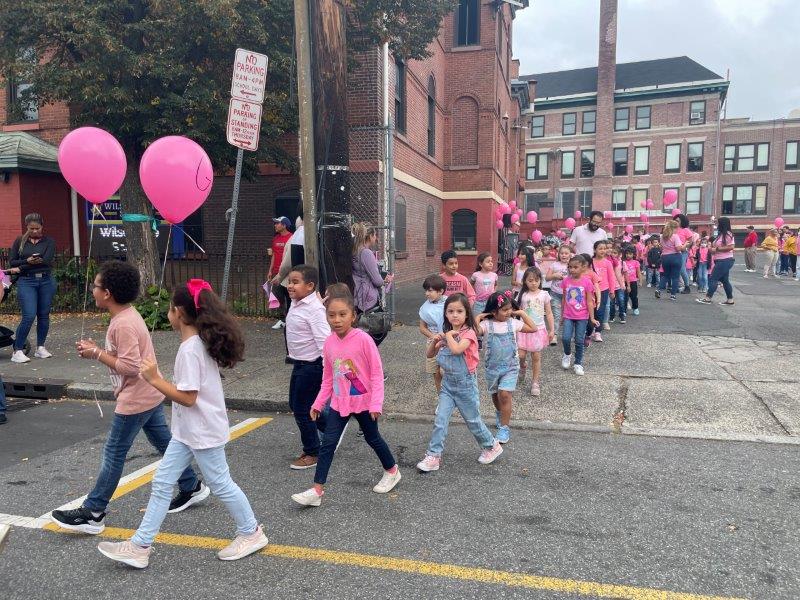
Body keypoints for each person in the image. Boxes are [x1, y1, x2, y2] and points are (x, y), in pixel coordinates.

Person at [97, 280, 268, 568]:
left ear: (179, 312)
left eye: (170, 308)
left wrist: (154, 379)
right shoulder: (195, 344)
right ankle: (140, 545)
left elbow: (188, 398)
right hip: (189, 431)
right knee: (163, 481)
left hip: (201, 432)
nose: (168, 313)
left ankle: (251, 532)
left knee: (221, 483)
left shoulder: (190, 349)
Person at [51, 261, 206, 534]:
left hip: (136, 397)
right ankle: (191, 485)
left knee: (114, 453)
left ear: (107, 293)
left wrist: (96, 353)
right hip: (148, 394)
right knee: (164, 442)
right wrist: (98, 350)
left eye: (95, 286)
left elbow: (131, 367)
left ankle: (93, 512)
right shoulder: (126, 316)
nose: (92, 290)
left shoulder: (122, 323)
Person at [291, 288, 400, 506]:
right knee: (328, 444)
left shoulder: (364, 340)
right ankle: (317, 490)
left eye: (342, 314)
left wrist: (376, 403)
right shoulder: (329, 343)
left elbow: (377, 373)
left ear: (353, 316)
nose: (337, 320)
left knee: (372, 438)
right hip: (340, 404)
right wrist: (318, 403)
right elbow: (328, 378)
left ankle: (392, 470)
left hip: (364, 403)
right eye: (332, 315)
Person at [416, 294, 503, 472]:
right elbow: (430, 354)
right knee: (440, 420)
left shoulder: (469, 333)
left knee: (473, 421)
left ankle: (491, 446)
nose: (455, 315)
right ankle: (433, 455)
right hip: (448, 385)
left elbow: (456, 350)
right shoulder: (446, 333)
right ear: (445, 314)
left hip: (465, 385)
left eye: (459, 311)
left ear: (466, 314)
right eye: (450, 311)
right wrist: (436, 341)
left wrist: (447, 337)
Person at [284, 264, 330, 470]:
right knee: (296, 405)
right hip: (299, 364)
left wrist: (327, 371)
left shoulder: (314, 310)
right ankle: (331, 428)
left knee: (302, 410)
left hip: (312, 366)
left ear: (310, 286)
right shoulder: (297, 303)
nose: (290, 286)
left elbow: (324, 342)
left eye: (295, 282)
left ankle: (313, 452)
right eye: (289, 282)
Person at [474, 291, 536, 441]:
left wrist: (522, 313)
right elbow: (475, 332)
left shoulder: (513, 323)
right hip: (492, 368)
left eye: (510, 309)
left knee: (504, 394)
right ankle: (500, 414)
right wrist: (478, 317)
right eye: (505, 310)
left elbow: (533, 328)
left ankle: (504, 428)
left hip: (510, 367)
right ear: (493, 311)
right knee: (495, 394)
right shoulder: (486, 324)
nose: (509, 312)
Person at [8, 213, 57, 363]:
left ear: (42, 226)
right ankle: (17, 350)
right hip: (27, 281)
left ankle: (40, 348)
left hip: (46, 280)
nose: (35, 231)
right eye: (31, 228)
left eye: (37, 228)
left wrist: (22, 266)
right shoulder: (19, 241)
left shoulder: (49, 241)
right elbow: (12, 262)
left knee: (43, 315)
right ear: (27, 227)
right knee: (29, 315)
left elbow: (46, 261)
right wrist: (28, 261)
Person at [515, 269, 553, 397]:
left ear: (540, 281)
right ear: (525, 281)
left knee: (536, 357)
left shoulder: (544, 294)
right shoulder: (522, 295)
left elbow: (549, 313)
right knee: (521, 355)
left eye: (537, 280)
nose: (534, 283)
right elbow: (516, 311)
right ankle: (523, 366)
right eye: (530, 280)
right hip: (524, 330)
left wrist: (552, 330)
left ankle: (535, 382)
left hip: (538, 330)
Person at [560, 255, 598, 376]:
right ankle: (567, 354)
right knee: (565, 338)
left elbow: (589, 301)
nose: (572, 270)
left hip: (582, 316)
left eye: (575, 267)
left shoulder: (587, 282)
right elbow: (564, 299)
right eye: (570, 267)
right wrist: (561, 316)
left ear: (583, 267)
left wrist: (592, 318)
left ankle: (578, 363)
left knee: (579, 340)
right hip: (568, 315)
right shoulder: (566, 281)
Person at [351, 222, 394, 316]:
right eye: (375, 235)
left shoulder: (355, 250)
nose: (376, 238)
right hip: (367, 298)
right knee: (371, 323)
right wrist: (386, 281)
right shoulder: (366, 253)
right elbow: (377, 281)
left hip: (357, 294)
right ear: (370, 236)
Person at [696, 217, 736, 306]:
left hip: (724, 260)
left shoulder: (728, 234)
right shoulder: (721, 234)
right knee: (725, 280)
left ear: (722, 224)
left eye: (718, 223)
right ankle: (730, 300)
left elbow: (731, 247)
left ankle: (708, 298)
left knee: (713, 278)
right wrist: (711, 249)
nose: (716, 224)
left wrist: (717, 249)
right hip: (720, 260)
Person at [418, 274, 447, 395]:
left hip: (447, 341)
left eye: (430, 291)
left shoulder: (449, 303)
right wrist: (432, 336)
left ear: (440, 291)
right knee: (435, 371)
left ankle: (449, 394)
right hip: (433, 341)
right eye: (426, 290)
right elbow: (422, 327)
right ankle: (441, 395)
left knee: (445, 370)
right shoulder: (425, 307)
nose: (426, 294)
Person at [267, 217, 293, 330]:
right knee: (277, 296)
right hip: (276, 273)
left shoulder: (291, 237)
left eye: (277, 223)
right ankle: (282, 319)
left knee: (290, 297)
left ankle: (290, 320)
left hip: (287, 274)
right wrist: (270, 270)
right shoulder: (275, 238)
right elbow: (273, 255)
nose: (275, 225)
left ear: (284, 225)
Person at [587, 241, 614, 342]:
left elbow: (611, 277)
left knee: (600, 311)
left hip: (603, 290)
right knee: (591, 311)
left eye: (604, 248)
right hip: (590, 291)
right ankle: (590, 330)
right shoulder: (590, 262)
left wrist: (612, 290)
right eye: (600, 248)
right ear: (595, 250)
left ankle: (598, 332)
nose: (603, 251)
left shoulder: (608, 263)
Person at [655, 220, 686, 301]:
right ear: (674, 228)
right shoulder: (675, 236)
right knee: (675, 277)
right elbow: (678, 248)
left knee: (666, 275)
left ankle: (659, 289)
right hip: (675, 257)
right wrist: (685, 245)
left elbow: (662, 247)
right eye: (677, 228)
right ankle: (673, 295)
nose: (677, 230)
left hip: (665, 257)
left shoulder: (662, 237)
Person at [546, 245, 571, 343]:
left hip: (569, 295)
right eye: (562, 253)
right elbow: (547, 278)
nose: (564, 255)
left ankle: (568, 334)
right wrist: (554, 275)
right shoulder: (554, 265)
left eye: (566, 253)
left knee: (568, 315)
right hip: (555, 293)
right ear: (558, 254)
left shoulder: (572, 265)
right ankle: (554, 334)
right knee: (556, 315)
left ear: (570, 254)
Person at [675, 214, 695, 294]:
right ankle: (676, 286)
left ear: (682, 222)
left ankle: (687, 287)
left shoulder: (686, 230)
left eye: (678, 221)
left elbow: (691, 241)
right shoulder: (674, 229)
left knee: (682, 268)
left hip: (683, 252)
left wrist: (686, 247)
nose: (676, 222)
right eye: (675, 220)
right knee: (676, 269)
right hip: (675, 251)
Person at [622, 246, 641, 317]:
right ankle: (623, 310)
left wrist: (640, 281)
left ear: (633, 254)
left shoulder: (636, 262)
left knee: (634, 296)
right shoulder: (623, 262)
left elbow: (638, 272)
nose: (628, 255)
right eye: (627, 253)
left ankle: (635, 308)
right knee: (624, 297)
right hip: (624, 281)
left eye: (630, 254)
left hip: (633, 281)